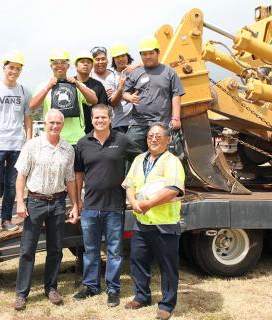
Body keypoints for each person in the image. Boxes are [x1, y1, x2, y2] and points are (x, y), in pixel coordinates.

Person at [73, 104, 141, 307]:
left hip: (114, 206)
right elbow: (78, 174)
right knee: (91, 250)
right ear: (91, 120)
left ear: (110, 119)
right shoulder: (83, 143)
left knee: (114, 251)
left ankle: (113, 289)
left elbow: (139, 159)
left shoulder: (121, 140)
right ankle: (91, 286)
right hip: (90, 207)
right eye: (96, 118)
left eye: (104, 117)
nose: (100, 120)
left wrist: (131, 184)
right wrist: (78, 201)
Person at [14, 109, 79, 311]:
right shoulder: (32, 146)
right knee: (27, 250)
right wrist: (20, 202)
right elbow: (21, 176)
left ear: (62, 124)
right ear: (44, 122)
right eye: (51, 122)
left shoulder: (68, 149)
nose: (54, 126)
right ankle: (21, 293)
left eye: (58, 123)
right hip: (35, 201)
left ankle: (51, 288)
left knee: (56, 249)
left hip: (58, 202)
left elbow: (70, 179)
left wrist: (75, 204)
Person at [123, 122, 185, 320]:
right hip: (142, 222)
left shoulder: (172, 161)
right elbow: (129, 183)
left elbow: (172, 189)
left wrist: (148, 204)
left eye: (159, 136)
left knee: (167, 266)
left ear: (168, 140)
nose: (154, 139)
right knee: (138, 261)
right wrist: (133, 202)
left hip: (164, 224)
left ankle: (166, 305)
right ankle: (141, 297)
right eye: (150, 136)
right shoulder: (139, 159)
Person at [0, 50, 32, 240]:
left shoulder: (24, 91)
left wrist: (28, 142)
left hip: (17, 145)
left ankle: (6, 219)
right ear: (4, 68)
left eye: (18, 68)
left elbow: (28, 119)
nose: (14, 71)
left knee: (12, 185)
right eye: (11, 67)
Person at [124, 38, 185, 151]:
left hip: (162, 123)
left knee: (161, 155)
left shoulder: (169, 72)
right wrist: (130, 97)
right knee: (130, 150)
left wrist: (176, 118)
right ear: (140, 55)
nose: (148, 56)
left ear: (158, 53)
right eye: (144, 54)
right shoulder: (135, 73)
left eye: (151, 53)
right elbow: (125, 93)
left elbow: (176, 94)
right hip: (138, 123)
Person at [30, 49, 97, 146]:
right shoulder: (43, 85)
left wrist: (77, 84)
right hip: (52, 140)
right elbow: (32, 106)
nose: (59, 65)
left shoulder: (76, 84)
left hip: (76, 139)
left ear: (68, 66)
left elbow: (94, 100)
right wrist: (48, 87)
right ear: (51, 66)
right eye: (55, 62)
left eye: (63, 62)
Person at [73, 52, 108, 133]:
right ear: (76, 65)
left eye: (88, 62)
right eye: (82, 62)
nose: (85, 64)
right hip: (74, 130)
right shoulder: (69, 83)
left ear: (92, 66)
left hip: (94, 130)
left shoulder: (98, 85)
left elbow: (103, 108)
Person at [106, 43, 135, 133]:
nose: (121, 59)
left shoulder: (137, 71)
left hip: (138, 122)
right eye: (117, 57)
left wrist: (136, 67)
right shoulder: (110, 78)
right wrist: (120, 88)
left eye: (123, 55)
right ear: (113, 60)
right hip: (120, 124)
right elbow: (113, 103)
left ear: (128, 57)